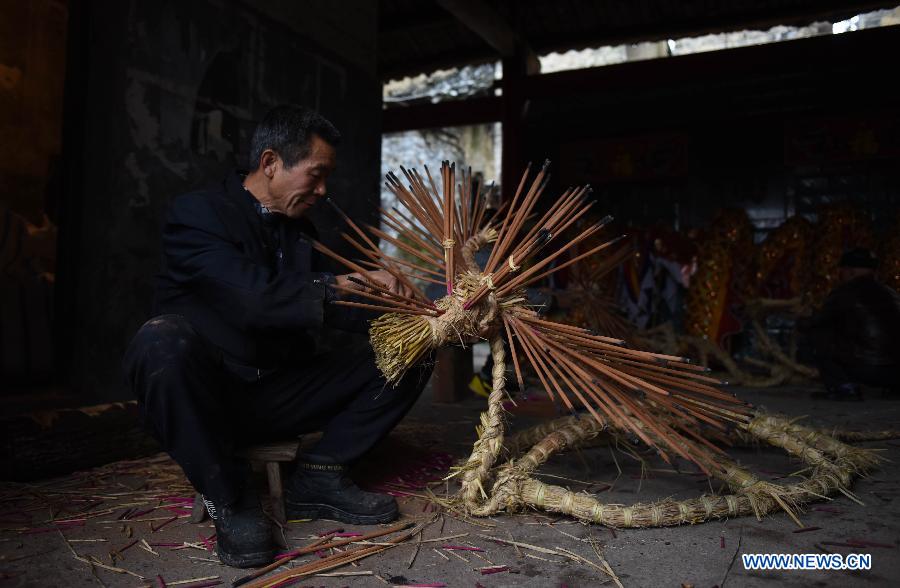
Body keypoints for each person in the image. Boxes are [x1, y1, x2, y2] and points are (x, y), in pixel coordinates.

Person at [123, 105, 432, 568]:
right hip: (209, 400)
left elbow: (338, 309)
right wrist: (335, 286)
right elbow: (251, 296)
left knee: (412, 352)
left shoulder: (301, 234)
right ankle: (229, 498)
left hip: (279, 395)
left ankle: (320, 476)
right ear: (271, 163)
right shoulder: (198, 214)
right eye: (316, 174)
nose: (323, 190)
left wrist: (421, 314)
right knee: (159, 341)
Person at [800, 247, 900, 400]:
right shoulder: (892, 293)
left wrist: (804, 317)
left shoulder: (843, 293)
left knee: (820, 333)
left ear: (850, 272)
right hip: (895, 372)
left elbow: (816, 323)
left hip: (868, 370)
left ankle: (843, 388)